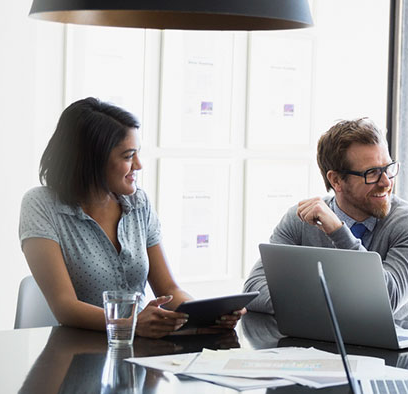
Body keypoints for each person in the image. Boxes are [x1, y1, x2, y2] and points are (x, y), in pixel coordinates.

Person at [20, 97, 243, 338]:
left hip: (134, 349)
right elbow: (65, 307)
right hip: (75, 351)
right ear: (91, 160)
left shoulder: (139, 203)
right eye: (128, 156)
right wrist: (131, 323)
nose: (139, 165)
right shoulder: (40, 205)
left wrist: (205, 315)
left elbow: (168, 289)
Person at [243, 118, 408, 326]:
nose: (386, 182)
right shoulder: (300, 219)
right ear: (336, 180)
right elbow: (254, 289)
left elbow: (386, 301)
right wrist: (335, 304)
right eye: (372, 173)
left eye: (388, 168)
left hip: (398, 352)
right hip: (323, 346)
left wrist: (338, 232)